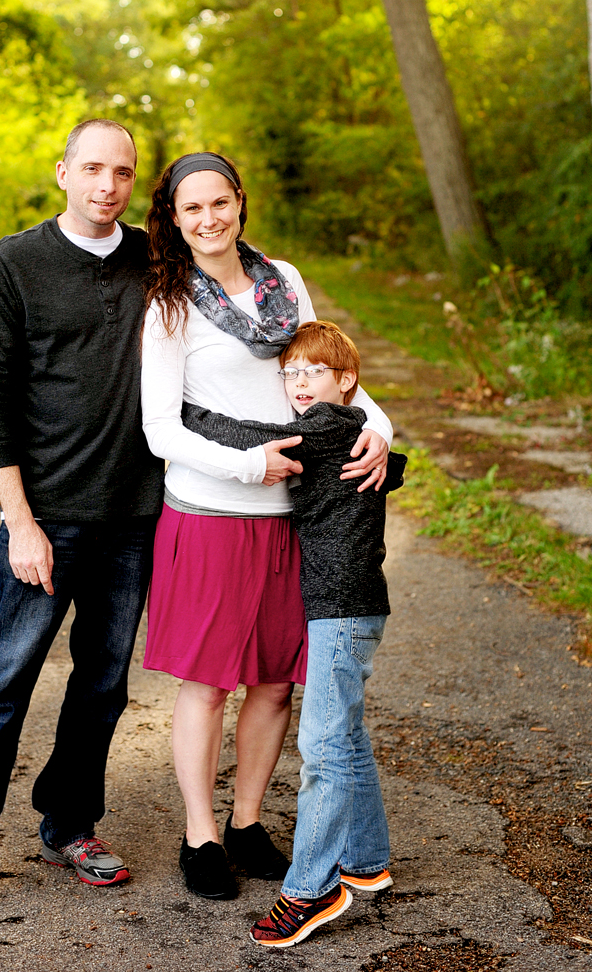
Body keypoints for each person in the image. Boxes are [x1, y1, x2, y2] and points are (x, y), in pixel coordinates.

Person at [0, 119, 164, 914]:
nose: (107, 185)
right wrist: (20, 522)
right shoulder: (13, 263)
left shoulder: (157, 262)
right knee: (1, 684)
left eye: (122, 172)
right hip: (45, 518)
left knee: (104, 684)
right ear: (62, 171)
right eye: (92, 168)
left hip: (134, 517)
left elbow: (248, 322)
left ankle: (70, 824)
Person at [140, 152, 392, 901]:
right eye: (193, 209)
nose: (209, 219)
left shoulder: (283, 279)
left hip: (293, 519)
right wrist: (251, 466)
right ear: (175, 219)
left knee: (277, 685)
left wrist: (377, 425)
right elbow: (160, 428)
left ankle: (247, 823)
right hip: (213, 513)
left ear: (240, 203)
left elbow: (324, 367)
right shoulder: (169, 303)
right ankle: (200, 836)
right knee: (209, 685)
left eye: (220, 203)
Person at [182, 320, 405, 947]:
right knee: (346, 734)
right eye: (290, 374)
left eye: (313, 374)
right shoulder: (352, 432)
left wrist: (186, 415)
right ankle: (366, 861)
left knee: (325, 747)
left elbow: (249, 437)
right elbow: (399, 465)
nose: (298, 384)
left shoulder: (324, 430)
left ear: (347, 382)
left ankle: (311, 889)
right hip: (353, 605)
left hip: (339, 607)